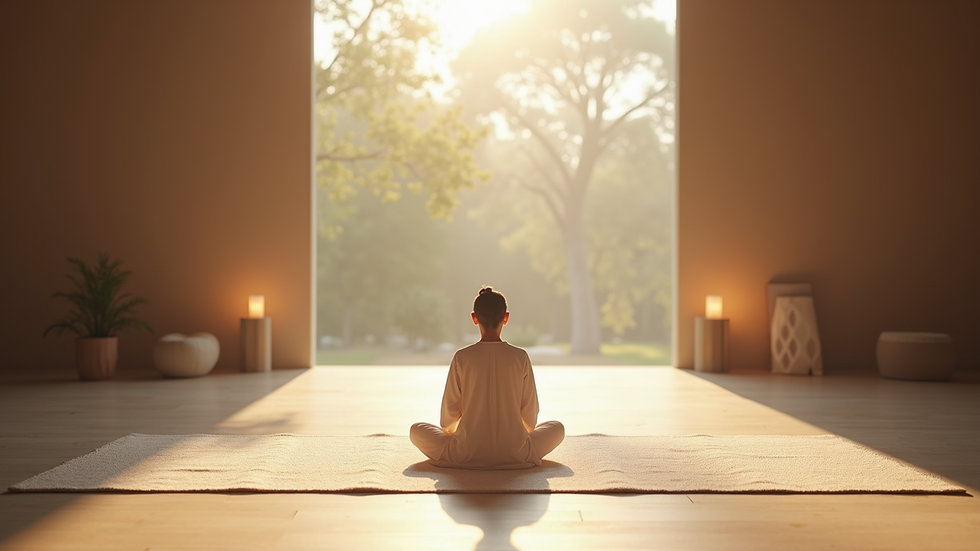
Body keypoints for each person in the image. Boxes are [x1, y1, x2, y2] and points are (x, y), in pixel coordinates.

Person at [409, 286, 565, 469]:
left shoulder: (462, 357)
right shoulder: (520, 356)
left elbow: (446, 421)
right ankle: (510, 453)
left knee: (416, 430)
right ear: (505, 317)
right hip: (517, 453)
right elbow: (530, 421)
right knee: (557, 428)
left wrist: (462, 434)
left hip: (464, 453)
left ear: (474, 318)